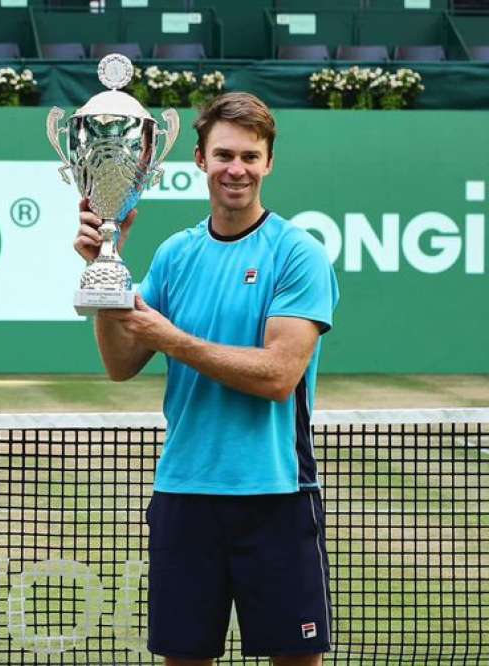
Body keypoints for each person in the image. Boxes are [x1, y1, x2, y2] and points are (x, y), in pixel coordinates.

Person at [74, 92, 339, 665]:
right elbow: (120, 364)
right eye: (223, 154)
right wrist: (102, 274)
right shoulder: (175, 254)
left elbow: (276, 375)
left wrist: (171, 339)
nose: (235, 169)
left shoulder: (299, 254)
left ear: (269, 162)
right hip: (184, 495)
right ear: (200, 158)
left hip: (276, 493)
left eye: (249, 155)